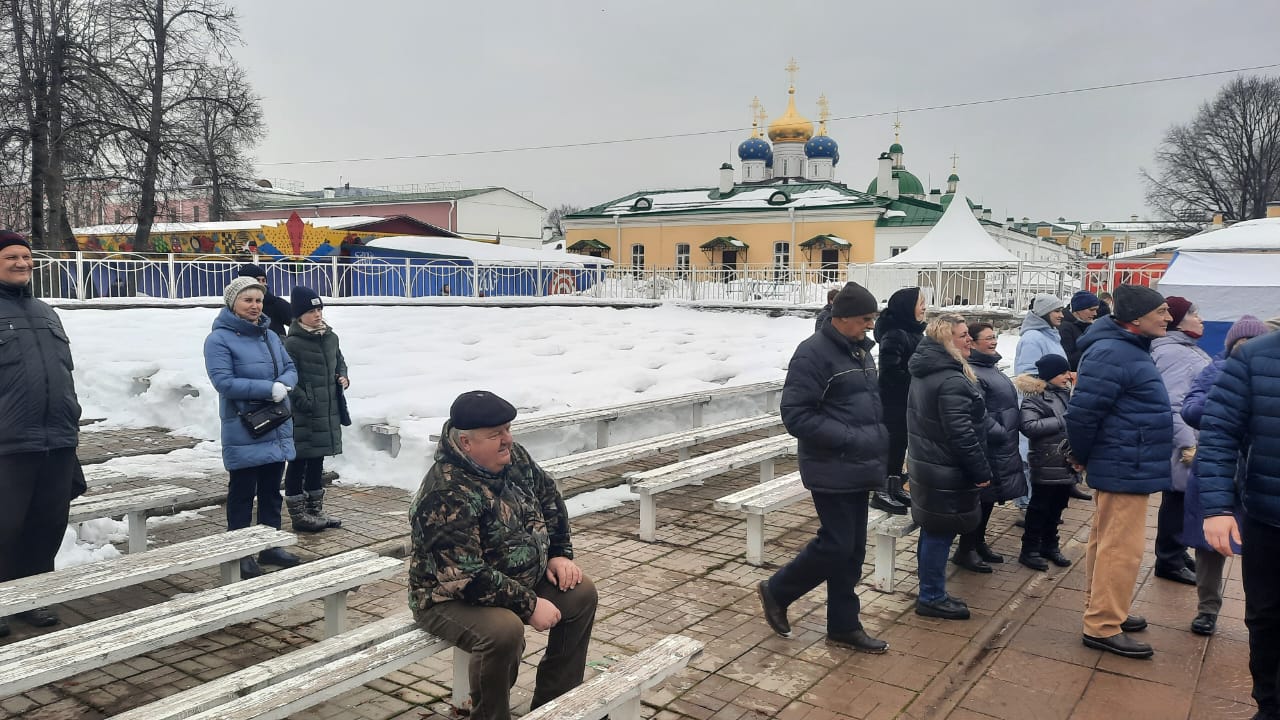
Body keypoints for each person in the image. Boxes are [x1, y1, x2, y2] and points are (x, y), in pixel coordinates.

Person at [410, 391, 597, 720]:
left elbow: (549, 494)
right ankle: (490, 715)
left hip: (515, 579)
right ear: (466, 443)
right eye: (495, 434)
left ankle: (555, 705)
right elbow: (464, 578)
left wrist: (558, 554)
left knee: (580, 593)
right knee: (503, 631)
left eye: (508, 429)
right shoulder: (446, 492)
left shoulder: (515, 458)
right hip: (447, 597)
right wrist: (530, 604)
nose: (507, 440)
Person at [758, 282, 890, 653]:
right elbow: (796, 415)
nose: (870, 326)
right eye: (865, 319)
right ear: (842, 317)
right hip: (831, 465)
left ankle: (844, 625)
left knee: (852, 550)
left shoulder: (860, 351)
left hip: (859, 465)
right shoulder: (813, 354)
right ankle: (777, 589)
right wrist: (850, 437)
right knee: (836, 544)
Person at [1065, 284, 1174, 659]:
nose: (1168, 317)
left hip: (1128, 459)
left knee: (1107, 541)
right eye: (1160, 311)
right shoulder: (1114, 352)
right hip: (1125, 461)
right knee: (1120, 549)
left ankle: (1106, 610)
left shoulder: (1124, 349)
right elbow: (1083, 413)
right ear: (1136, 318)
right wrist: (1080, 455)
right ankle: (1102, 625)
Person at [0, 231, 82, 637]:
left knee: (47, 524)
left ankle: (32, 597)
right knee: (5, 526)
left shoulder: (48, 311)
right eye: (10, 256)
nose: (21, 263)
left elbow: (64, 374)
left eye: (26, 256)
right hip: (9, 442)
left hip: (57, 438)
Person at [1199, 325, 1280, 720]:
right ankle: (1269, 705)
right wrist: (1216, 507)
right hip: (1268, 518)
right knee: (1265, 617)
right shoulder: (1254, 357)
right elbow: (1218, 433)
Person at [204, 276, 302, 578]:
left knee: (272, 491)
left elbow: (290, 368)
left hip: (275, 422)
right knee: (243, 493)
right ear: (233, 302)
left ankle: (270, 544)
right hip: (245, 427)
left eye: (258, 300)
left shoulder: (270, 335)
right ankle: (241, 552)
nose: (255, 306)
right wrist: (266, 388)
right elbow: (224, 382)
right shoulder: (218, 339)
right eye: (248, 300)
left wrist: (282, 385)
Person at [1180, 315, 1269, 637]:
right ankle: (1207, 609)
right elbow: (1190, 410)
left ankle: (1257, 615)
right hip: (1214, 469)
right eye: (1239, 345)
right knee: (1208, 547)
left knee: (1259, 549)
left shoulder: (1269, 371)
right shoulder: (1214, 370)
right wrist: (1225, 401)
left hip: (1257, 474)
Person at [908, 313, 992, 620]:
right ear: (946, 342)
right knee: (939, 533)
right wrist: (981, 471)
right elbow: (962, 434)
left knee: (933, 530)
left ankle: (930, 591)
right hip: (945, 468)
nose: (969, 339)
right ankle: (931, 596)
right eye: (962, 336)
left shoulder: (929, 371)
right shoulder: (951, 379)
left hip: (930, 464)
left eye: (968, 334)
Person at [1149, 296, 1211, 586]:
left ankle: (1175, 552)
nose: (1200, 319)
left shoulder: (1182, 348)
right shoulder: (1175, 353)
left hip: (1190, 437)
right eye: (1194, 313)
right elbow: (1173, 404)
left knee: (1181, 499)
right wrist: (1188, 444)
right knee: (1178, 499)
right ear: (1178, 320)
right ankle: (1169, 559)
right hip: (1186, 440)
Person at [958, 323, 1027, 573]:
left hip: (1000, 444)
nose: (994, 341)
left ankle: (978, 542)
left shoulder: (990, 367)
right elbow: (978, 413)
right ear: (973, 343)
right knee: (980, 499)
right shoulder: (974, 372)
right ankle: (966, 549)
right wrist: (999, 432)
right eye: (987, 338)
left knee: (988, 500)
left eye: (995, 336)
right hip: (989, 444)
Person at [281, 286, 349, 533]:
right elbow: (289, 378)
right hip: (304, 412)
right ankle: (298, 515)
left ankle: (315, 510)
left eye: (319, 309)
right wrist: (304, 400)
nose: (317, 314)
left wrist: (343, 376)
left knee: (317, 460)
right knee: (299, 461)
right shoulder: (293, 343)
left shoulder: (330, 337)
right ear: (299, 315)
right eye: (311, 311)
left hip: (327, 409)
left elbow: (339, 361)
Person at [1014, 354, 1078, 570]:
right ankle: (1029, 549)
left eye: (1067, 372)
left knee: (1058, 505)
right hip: (1046, 460)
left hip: (1065, 460)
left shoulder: (1065, 394)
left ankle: (1050, 545)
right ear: (1050, 375)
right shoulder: (1035, 398)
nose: (1067, 376)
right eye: (1062, 373)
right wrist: (1063, 419)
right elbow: (1029, 426)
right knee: (1040, 506)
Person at [873, 287, 927, 514]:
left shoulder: (914, 332)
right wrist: (917, 382)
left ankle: (894, 486)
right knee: (891, 445)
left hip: (908, 401)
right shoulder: (895, 334)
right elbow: (889, 371)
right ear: (907, 307)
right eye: (920, 302)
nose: (925, 306)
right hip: (893, 402)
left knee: (901, 445)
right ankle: (880, 490)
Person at [1013, 294, 1067, 375]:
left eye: (1061, 311)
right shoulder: (1032, 338)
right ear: (1044, 312)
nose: (1062, 315)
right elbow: (1028, 376)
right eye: (1057, 311)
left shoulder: (1050, 335)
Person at [238, 263, 292, 337]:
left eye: (263, 280)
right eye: (257, 280)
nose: (261, 284)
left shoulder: (276, 303)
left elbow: (298, 323)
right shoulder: (237, 304)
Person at [1060, 291, 1100, 371]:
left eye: (1096, 310)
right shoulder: (1065, 328)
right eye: (1091, 310)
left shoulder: (1086, 325)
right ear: (1078, 310)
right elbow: (1069, 359)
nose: (1095, 313)